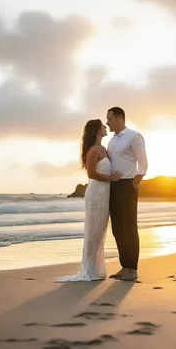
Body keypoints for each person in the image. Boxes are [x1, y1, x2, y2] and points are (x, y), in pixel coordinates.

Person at [56, 119, 122, 282]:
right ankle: (88, 269)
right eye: (103, 125)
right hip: (95, 195)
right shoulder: (93, 151)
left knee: (99, 231)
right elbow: (91, 175)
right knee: (93, 230)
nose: (105, 127)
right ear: (97, 130)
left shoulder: (103, 149)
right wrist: (112, 178)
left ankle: (95, 268)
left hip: (104, 194)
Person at [106, 107, 148, 281]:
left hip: (128, 184)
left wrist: (135, 182)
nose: (107, 122)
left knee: (129, 227)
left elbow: (143, 163)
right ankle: (125, 267)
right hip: (112, 185)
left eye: (110, 119)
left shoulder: (134, 136)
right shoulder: (111, 141)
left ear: (119, 118)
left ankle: (133, 269)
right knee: (117, 228)